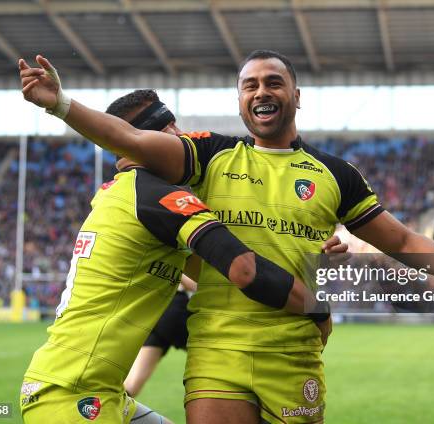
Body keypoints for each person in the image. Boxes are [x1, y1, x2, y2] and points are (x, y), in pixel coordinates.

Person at [19, 52, 434, 424]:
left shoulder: (336, 174)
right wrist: (60, 103)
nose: (261, 91)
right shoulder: (206, 157)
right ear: (239, 101)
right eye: (249, 85)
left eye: (274, 82)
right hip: (217, 352)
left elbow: (403, 243)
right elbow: (130, 141)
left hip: (294, 352)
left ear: (296, 95)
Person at [19, 86, 331, 424]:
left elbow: (217, 276)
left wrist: (310, 255)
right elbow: (244, 270)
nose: (182, 138)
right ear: (142, 140)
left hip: (96, 390)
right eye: (170, 129)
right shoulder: (156, 195)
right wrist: (317, 306)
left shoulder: (123, 193)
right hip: (73, 395)